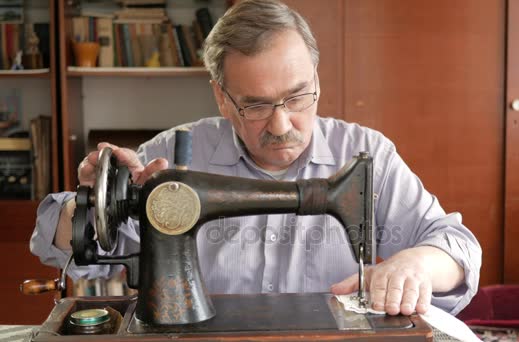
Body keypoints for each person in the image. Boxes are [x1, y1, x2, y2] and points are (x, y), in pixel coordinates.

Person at [30, 0, 481, 316]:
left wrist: (416, 264)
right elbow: (65, 244)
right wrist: (89, 203)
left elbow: (459, 248)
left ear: (317, 80)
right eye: (256, 105)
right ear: (222, 98)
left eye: (297, 97)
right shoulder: (167, 157)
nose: (282, 124)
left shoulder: (366, 157)